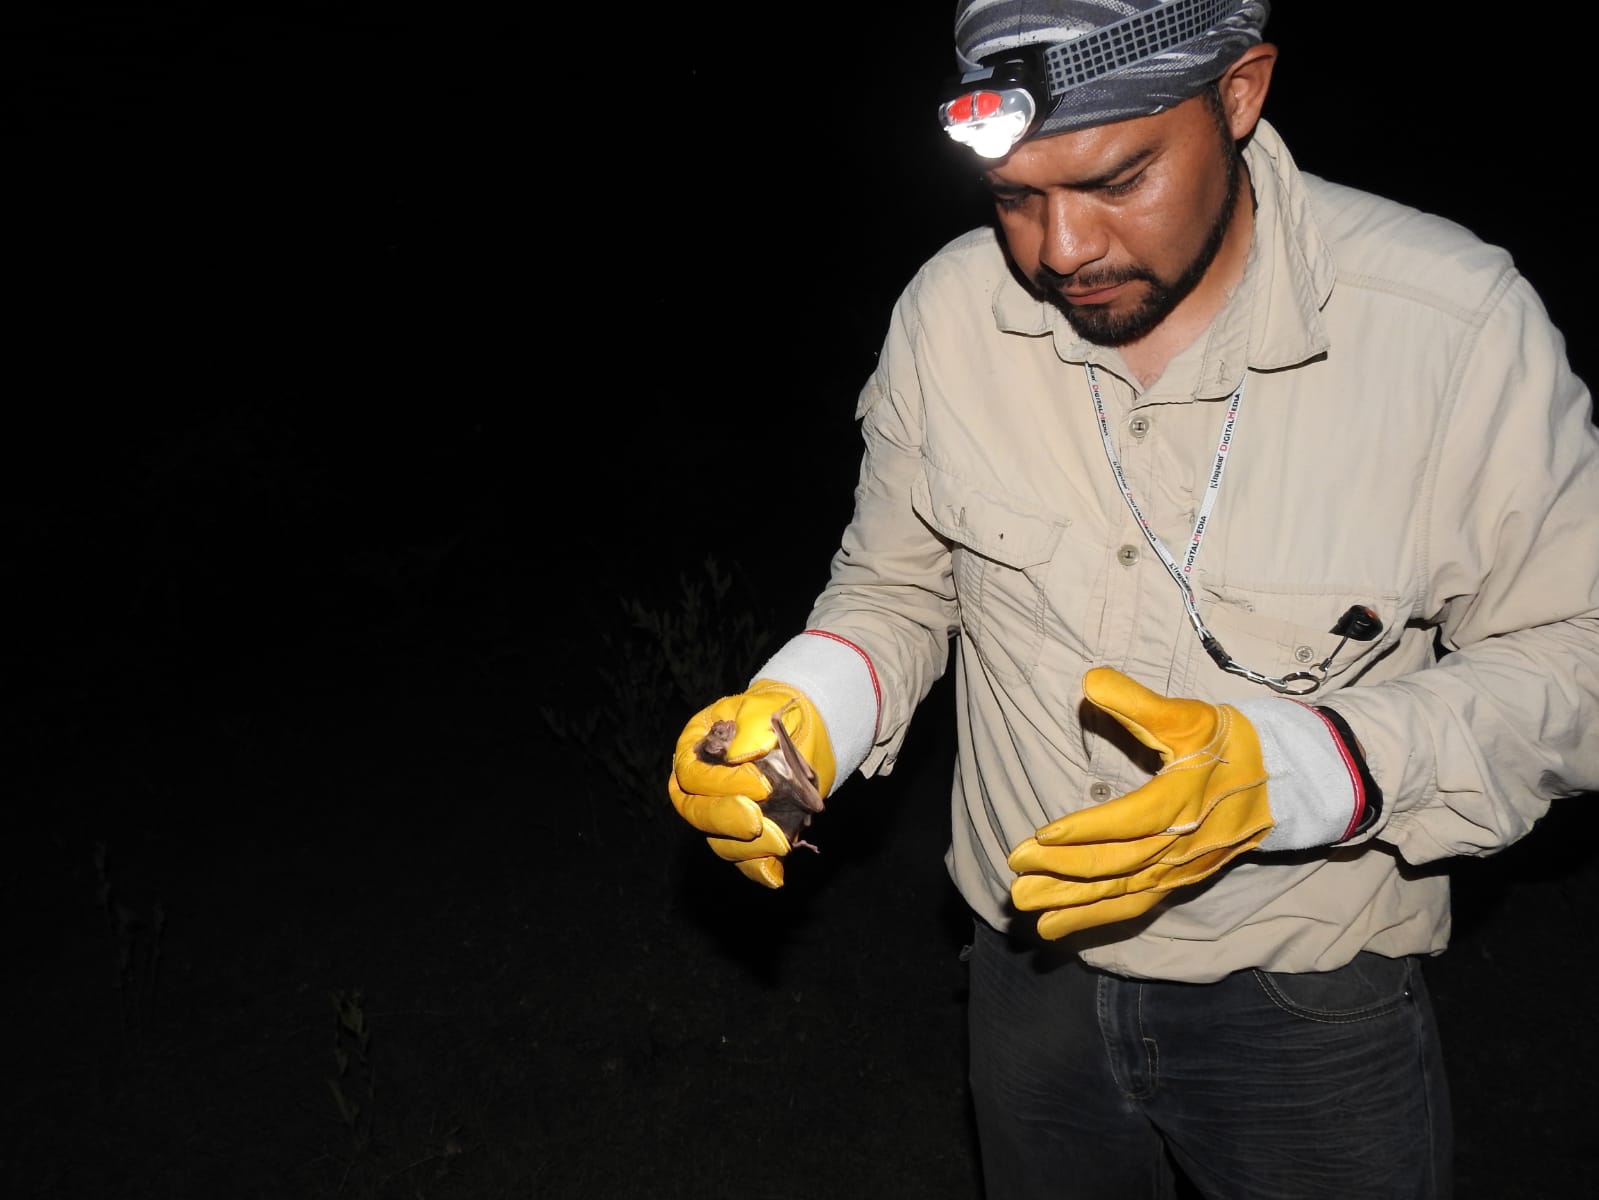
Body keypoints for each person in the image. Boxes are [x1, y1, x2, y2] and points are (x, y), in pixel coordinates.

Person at [666, 2, 1599, 1196]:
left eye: (1120, 179)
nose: (1060, 249)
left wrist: (1308, 773)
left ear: (1243, 93)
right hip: (1027, 975)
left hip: (1306, 1001)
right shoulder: (951, 318)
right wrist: (803, 710)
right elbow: (898, 583)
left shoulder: (1451, 333)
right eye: (1015, 196)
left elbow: (1573, 657)